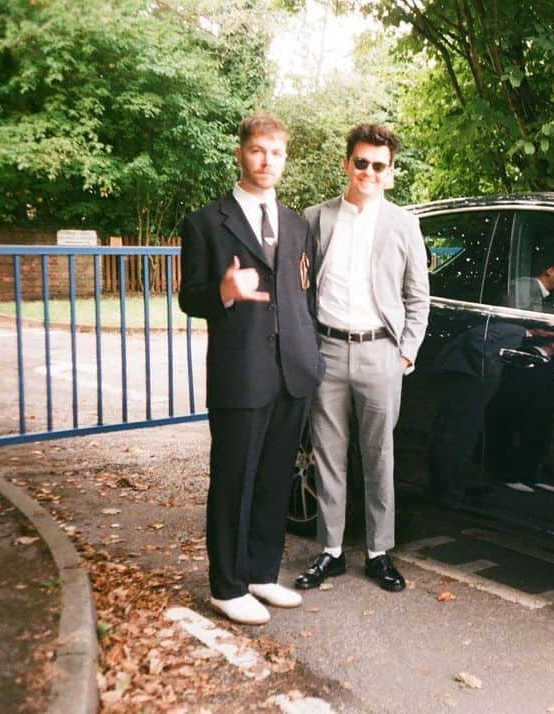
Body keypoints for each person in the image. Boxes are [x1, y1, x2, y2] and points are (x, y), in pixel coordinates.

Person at [179, 113, 324, 625]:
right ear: (241, 153)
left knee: (274, 478)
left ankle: (263, 573)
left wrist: (310, 355)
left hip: (293, 372)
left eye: (277, 152)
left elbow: (302, 296)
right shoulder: (204, 223)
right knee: (234, 479)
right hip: (241, 374)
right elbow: (189, 297)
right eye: (259, 150)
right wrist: (224, 291)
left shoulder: (298, 223)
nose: (268, 161)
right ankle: (227, 585)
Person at [295, 123, 429, 593]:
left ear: (390, 172)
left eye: (379, 165)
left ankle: (378, 552)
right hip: (326, 351)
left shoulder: (403, 223)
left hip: (380, 353)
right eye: (361, 163)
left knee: (378, 456)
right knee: (327, 455)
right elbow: (299, 287)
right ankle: (330, 551)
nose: (368, 172)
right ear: (346, 164)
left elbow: (418, 297)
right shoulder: (316, 218)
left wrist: (405, 353)